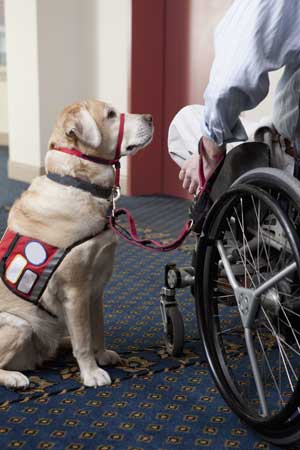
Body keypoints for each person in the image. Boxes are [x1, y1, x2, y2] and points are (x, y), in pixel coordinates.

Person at [169, 0, 300, 194]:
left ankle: (250, 216)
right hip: (281, 137)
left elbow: (232, 78)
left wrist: (209, 152)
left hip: (290, 160)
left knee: (185, 121)